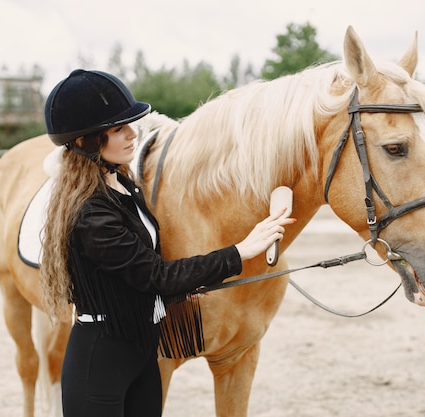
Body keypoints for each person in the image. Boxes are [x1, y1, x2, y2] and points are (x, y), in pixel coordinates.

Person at [39, 69, 295, 417]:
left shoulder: (123, 187)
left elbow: (134, 275)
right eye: (118, 130)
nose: (133, 135)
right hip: (101, 358)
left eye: (130, 125)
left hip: (143, 354)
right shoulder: (90, 213)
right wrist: (241, 251)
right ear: (85, 141)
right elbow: (154, 275)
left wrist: (179, 291)